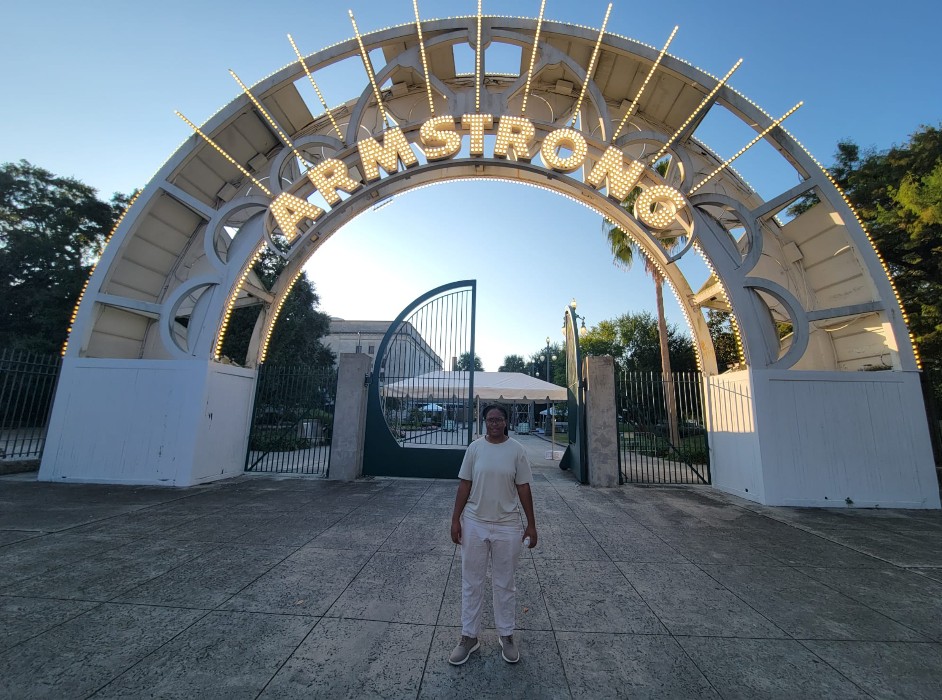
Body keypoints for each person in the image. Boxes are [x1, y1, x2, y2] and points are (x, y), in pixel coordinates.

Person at [449, 404, 538, 665]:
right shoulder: (475, 449)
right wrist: (455, 519)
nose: (495, 423)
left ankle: (506, 635)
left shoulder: (517, 451)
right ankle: (469, 636)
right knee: (471, 581)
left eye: (499, 419)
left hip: (507, 525)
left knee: (504, 583)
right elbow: (465, 484)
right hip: (475, 522)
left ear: (506, 422)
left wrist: (531, 525)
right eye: (490, 419)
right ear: (484, 422)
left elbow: (523, 488)